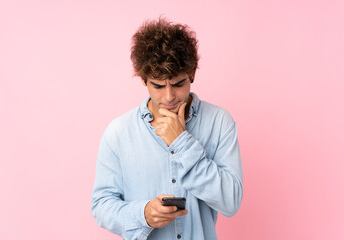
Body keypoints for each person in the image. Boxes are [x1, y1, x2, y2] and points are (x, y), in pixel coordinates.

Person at [91, 17, 243, 240]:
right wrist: (143, 214)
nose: (169, 97)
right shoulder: (119, 132)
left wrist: (182, 142)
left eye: (179, 84)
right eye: (158, 86)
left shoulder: (219, 122)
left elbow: (231, 202)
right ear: (144, 80)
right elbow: (101, 206)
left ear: (192, 74)